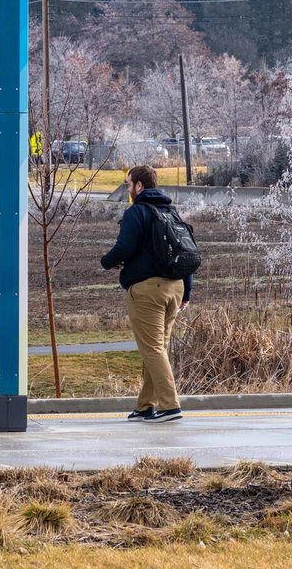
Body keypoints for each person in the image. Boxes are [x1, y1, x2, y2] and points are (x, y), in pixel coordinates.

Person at [101, 164, 192, 424]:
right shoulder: (170, 212)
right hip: (176, 287)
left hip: (147, 290)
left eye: (128, 184)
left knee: (152, 349)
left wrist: (106, 262)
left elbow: (124, 247)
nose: (127, 188)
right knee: (158, 349)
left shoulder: (137, 212)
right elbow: (183, 251)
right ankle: (145, 407)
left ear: (139, 186)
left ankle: (170, 406)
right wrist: (187, 290)